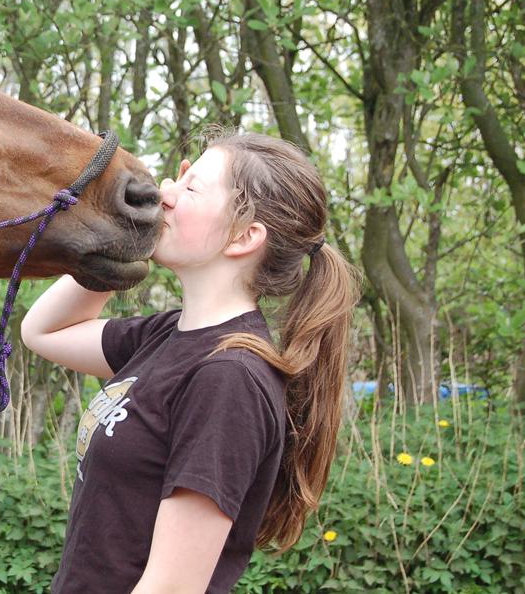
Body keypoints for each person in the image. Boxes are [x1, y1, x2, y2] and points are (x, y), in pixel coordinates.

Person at [21, 131, 359, 594]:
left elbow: (171, 588)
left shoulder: (229, 378)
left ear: (243, 237)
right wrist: (119, 238)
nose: (164, 194)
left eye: (192, 188)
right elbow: (43, 331)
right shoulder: (166, 335)